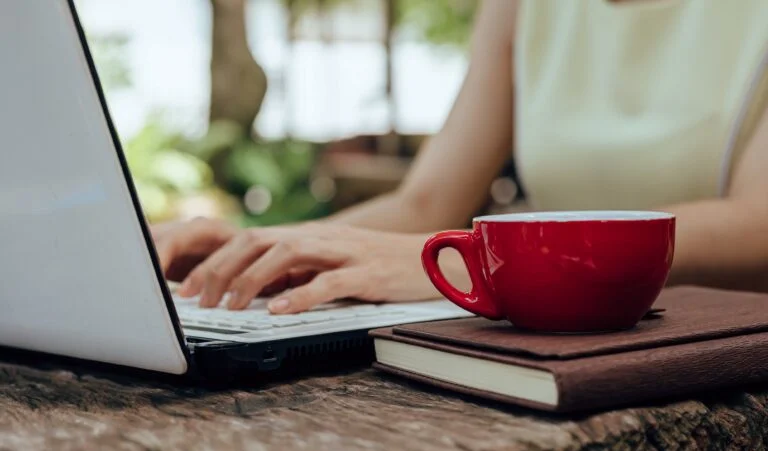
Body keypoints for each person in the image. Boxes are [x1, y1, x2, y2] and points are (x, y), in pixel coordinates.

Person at [152, 0, 768, 314]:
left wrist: (486, 265)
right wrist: (258, 249)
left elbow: (756, 223)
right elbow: (427, 202)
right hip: (549, 345)